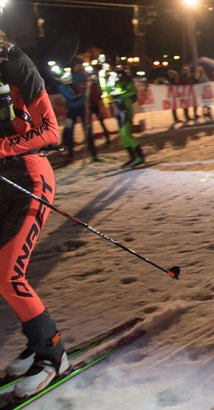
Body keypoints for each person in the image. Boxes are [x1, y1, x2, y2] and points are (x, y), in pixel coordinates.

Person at [0, 33, 70, 399]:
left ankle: (53, 355)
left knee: (9, 275)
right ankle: (35, 342)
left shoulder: (15, 63)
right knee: (2, 276)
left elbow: (50, 132)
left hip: (29, 178)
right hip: (1, 183)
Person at [57, 64, 98, 164]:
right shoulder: (61, 87)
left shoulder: (74, 78)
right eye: (65, 79)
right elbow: (71, 97)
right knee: (69, 131)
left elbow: (86, 79)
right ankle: (70, 154)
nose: (68, 80)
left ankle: (94, 154)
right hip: (72, 111)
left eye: (68, 78)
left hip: (82, 109)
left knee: (88, 130)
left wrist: (89, 79)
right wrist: (81, 93)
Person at [104, 68, 144, 167]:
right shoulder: (111, 79)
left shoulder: (126, 80)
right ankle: (132, 156)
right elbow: (108, 90)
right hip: (118, 109)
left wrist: (121, 94)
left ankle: (140, 156)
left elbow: (133, 93)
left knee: (126, 133)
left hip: (125, 109)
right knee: (122, 135)